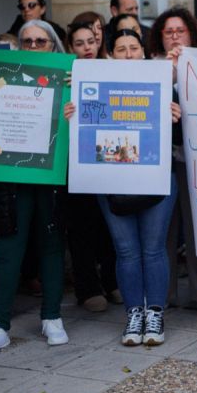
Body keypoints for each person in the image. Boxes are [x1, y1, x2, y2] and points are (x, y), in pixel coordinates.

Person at [0, 20, 71, 356]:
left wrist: (76, 96)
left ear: (53, 45)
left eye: (40, 42)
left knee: (51, 243)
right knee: (8, 246)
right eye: (27, 41)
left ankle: (52, 317)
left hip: (51, 174)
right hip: (11, 174)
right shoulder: (3, 77)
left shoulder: (68, 78)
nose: (33, 47)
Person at [99, 29, 181, 346]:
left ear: (144, 52)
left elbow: (180, 136)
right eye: (121, 49)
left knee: (153, 248)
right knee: (126, 250)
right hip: (110, 177)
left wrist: (176, 116)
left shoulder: (162, 84)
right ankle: (134, 314)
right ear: (111, 54)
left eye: (134, 47)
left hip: (156, 174)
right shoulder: (97, 83)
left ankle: (155, 313)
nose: (129, 54)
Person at [148, 7, 197, 318]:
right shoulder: (150, 67)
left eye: (180, 31)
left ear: (191, 34)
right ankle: (161, 293)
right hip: (160, 162)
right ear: (160, 37)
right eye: (169, 32)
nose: (175, 36)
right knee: (162, 230)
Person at [62, 21, 119, 313]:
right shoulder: (65, 76)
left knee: (109, 224)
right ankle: (87, 288)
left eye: (91, 41)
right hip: (76, 161)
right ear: (70, 47)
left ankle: (112, 281)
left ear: (98, 43)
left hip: (108, 158)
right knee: (81, 225)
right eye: (79, 43)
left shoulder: (111, 70)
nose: (86, 47)